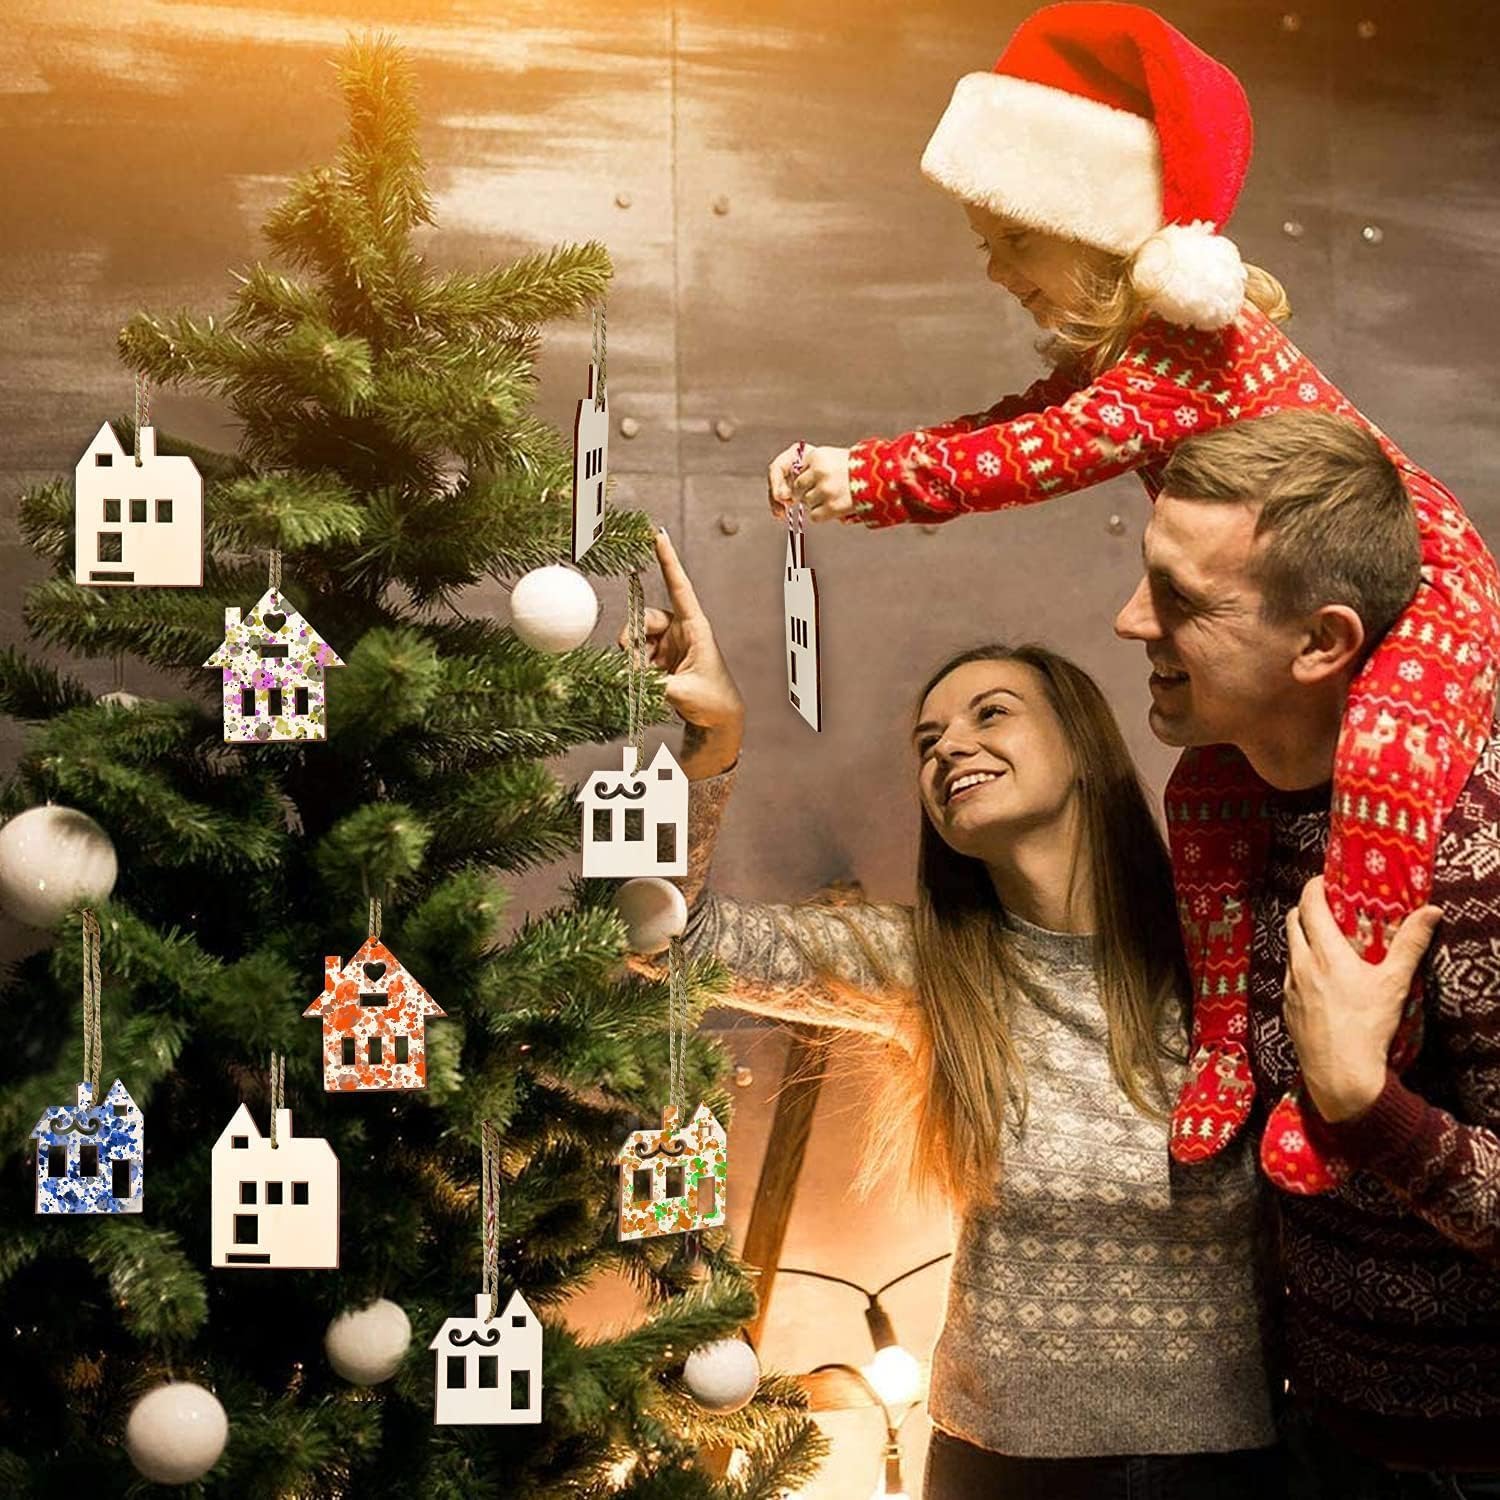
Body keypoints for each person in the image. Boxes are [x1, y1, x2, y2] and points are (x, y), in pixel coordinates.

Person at [762, 2, 1499, 1190]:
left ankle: (1351, 1068)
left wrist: (867, 480)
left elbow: (1033, 458)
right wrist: (871, 466)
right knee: (1206, 793)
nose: (990, 266)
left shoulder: (1191, 359)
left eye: (1010, 238)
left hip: (1430, 590)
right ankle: (1220, 1057)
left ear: (1095, 237)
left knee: (1387, 782)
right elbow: (1029, 424)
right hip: (1311, 602)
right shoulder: (1137, 360)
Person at [624, 528, 1284, 1499]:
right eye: (929, 743)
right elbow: (668, 943)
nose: (950, 750)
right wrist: (711, 746)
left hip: (1217, 1466)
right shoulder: (930, 969)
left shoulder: (1229, 950)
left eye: (990, 714)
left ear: (1085, 743)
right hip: (988, 1467)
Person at [1113, 408, 1500, 1495]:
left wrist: (1358, 1098)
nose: (1127, 619)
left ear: (1323, 642)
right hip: (1327, 1432)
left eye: (1182, 600)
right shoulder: (1241, 806)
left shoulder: (1472, 859)